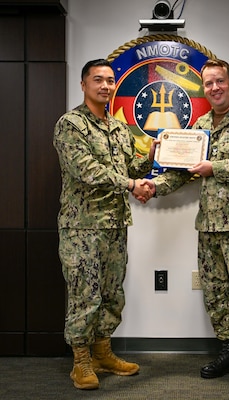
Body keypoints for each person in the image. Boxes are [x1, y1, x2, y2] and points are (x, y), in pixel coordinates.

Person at [138, 58, 229, 396]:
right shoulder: (200, 126)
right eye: (208, 83)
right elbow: (180, 171)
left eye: (220, 81)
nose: (214, 88)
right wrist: (153, 186)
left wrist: (213, 167)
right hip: (210, 227)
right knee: (218, 296)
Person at [53, 59, 155, 390]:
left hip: (114, 225)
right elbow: (87, 170)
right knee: (85, 294)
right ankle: (81, 362)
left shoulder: (119, 128)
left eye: (110, 81)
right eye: (97, 80)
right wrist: (130, 185)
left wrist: (152, 157)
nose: (105, 86)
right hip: (82, 227)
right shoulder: (70, 125)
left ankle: (102, 352)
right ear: (83, 85)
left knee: (112, 294)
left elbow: (131, 170)